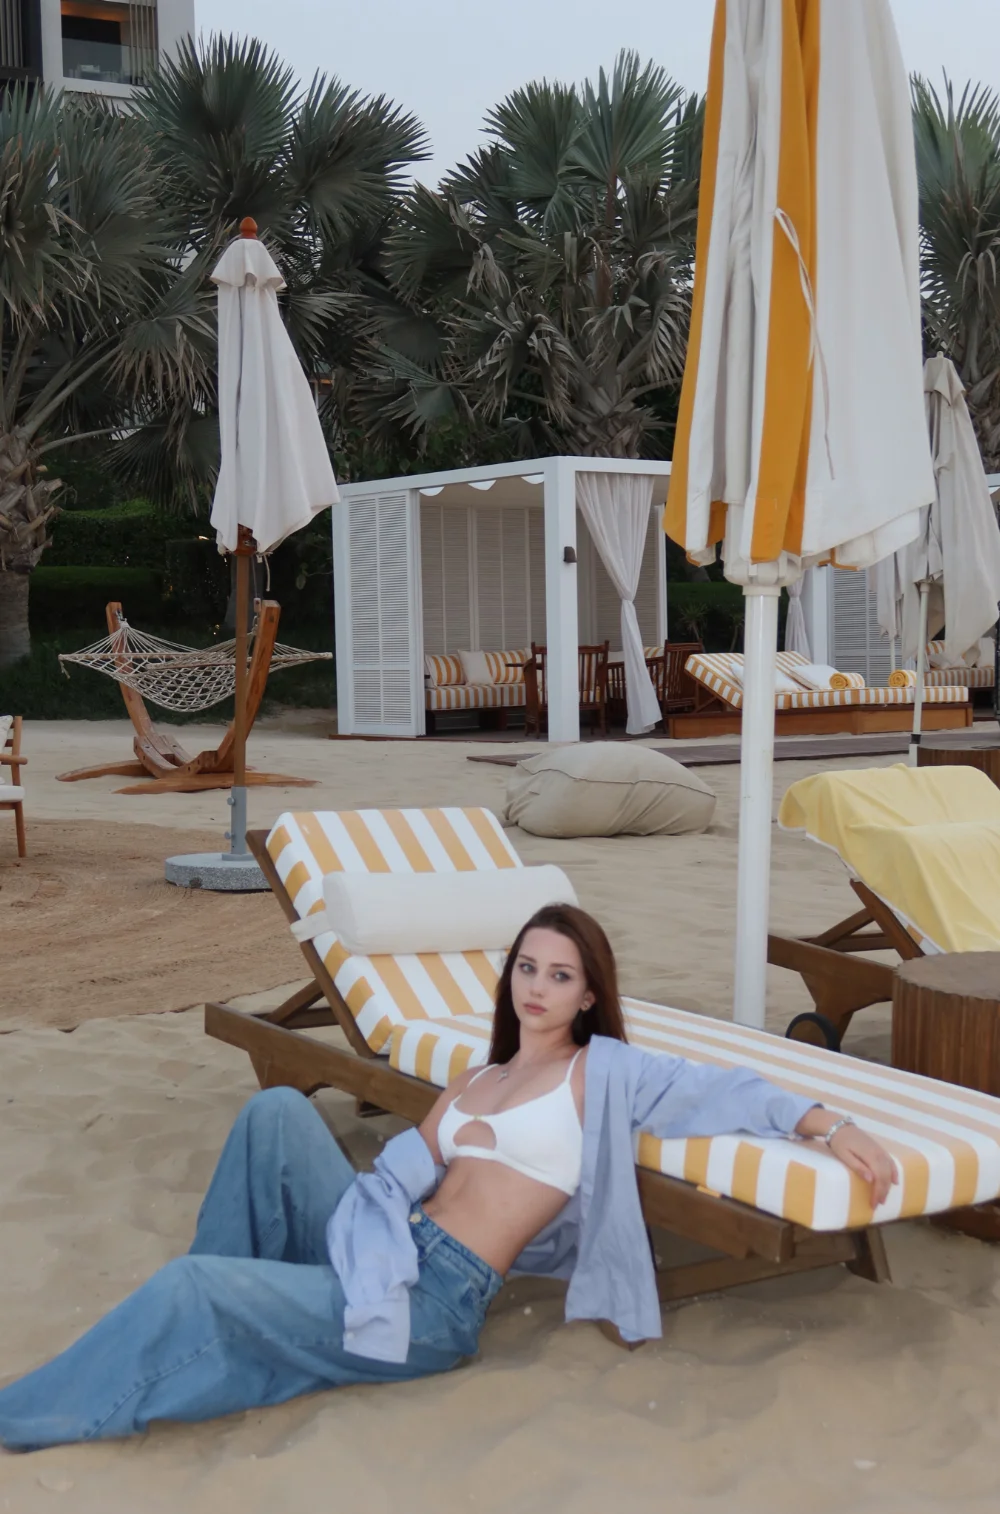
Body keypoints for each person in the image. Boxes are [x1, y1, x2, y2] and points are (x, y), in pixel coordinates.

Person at [0, 905, 896, 1450]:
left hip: (435, 1302)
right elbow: (401, 1175)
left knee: (191, 1288)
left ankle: (29, 1413)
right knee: (275, 1114)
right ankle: (234, 1297)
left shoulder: (602, 1072)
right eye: (527, 968)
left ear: (588, 995)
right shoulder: (476, 1079)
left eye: (560, 975)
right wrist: (375, 1221)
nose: (536, 987)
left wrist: (832, 1124)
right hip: (392, 1241)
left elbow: (723, 1090)